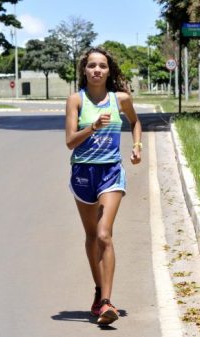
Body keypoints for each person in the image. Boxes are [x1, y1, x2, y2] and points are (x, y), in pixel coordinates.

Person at [65, 47, 142, 325]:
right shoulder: (76, 100)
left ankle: (108, 302)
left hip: (111, 171)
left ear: (109, 71)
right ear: (84, 70)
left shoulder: (120, 99)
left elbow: (135, 123)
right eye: (92, 66)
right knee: (90, 236)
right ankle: (98, 292)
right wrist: (93, 127)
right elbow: (70, 141)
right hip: (83, 173)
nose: (97, 70)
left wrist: (136, 146)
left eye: (102, 66)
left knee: (104, 234)